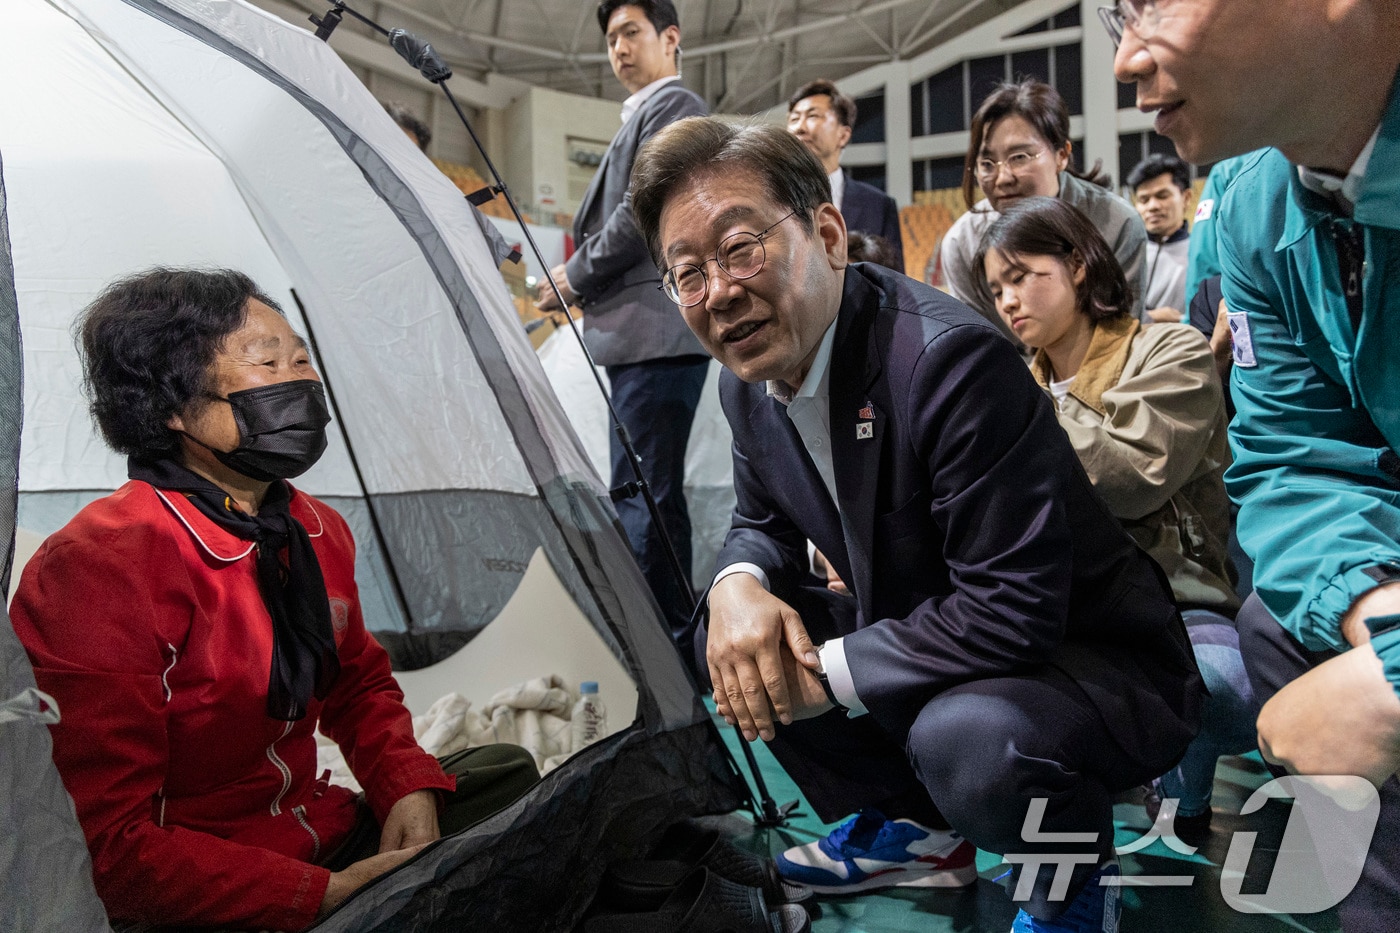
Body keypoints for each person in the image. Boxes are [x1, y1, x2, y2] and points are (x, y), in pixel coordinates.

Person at [630, 117, 1203, 932]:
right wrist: (736, 584)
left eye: (741, 247)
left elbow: (1013, 608)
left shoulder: (947, 361)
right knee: (730, 642)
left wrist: (824, 671)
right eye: (687, 273)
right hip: (933, 626)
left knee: (967, 739)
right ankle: (922, 830)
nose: (718, 290)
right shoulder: (745, 384)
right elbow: (760, 520)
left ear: (828, 233)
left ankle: (1068, 878)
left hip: (1084, 657)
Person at [11, 269, 540, 931]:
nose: (302, 382)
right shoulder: (95, 569)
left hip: (318, 834)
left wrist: (404, 780)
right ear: (170, 406)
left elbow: (358, 684)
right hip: (204, 889)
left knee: (508, 775)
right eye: (268, 363)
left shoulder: (317, 529)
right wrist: (313, 896)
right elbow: (108, 848)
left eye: (301, 358)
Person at [1108, 1, 1400, 927]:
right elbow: (1293, 455)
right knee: (1286, 623)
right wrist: (1378, 614)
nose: (1124, 58)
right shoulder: (1248, 198)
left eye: (1151, 2)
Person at [977, 196, 1257, 847]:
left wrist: (1012, 415)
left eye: (1021, 275)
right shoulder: (1018, 382)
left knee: (1226, 689)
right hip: (1050, 608)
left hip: (1169, 600)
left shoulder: (1172, 352)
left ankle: (1182, 777)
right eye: (995, 289)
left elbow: (1128, 476)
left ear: (1077, 264)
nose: (1008, 300)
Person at [535, 0, 709, 652]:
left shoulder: (674, 107)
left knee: (648, 499)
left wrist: (572, 277)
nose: (619, 49)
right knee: (641, 494)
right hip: (637, 339)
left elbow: (641, 209)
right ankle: (671, 651)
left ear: (670, 38)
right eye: (611, 39)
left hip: (656, 334)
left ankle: (673, 656)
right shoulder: (637, 116)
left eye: (631, 33)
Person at [939, 79, 1147, 342]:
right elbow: (977, 345)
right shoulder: (962, 245)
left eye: (1020, 157)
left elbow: (1121, 337)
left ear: (1062, 155)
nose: (1003, 178)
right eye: (987, 163)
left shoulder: (1116, 223)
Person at [786, 79, 905, 271]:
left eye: (812, 116)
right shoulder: (774, 198)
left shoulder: (878, 205)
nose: (799, 127)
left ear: (843, 135)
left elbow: (895, 282)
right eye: (793, 119)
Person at [1126, 153, 1193, 323]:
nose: (1153, 206)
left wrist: (1179, 319)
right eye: (1144, 199)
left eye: (1162, 196)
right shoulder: (1126, 252)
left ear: (1186, 198)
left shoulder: (1200, 254)